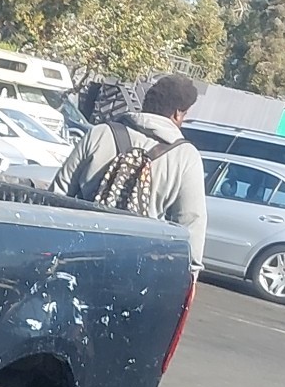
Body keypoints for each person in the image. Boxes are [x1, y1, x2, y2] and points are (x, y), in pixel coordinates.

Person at [52, 74, 207, 271]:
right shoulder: (185, 156)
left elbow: (59, 191)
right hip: (135, 266)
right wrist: (191, 272)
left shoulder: (100, 133)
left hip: (79, 255)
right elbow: (191, 221)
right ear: (177, 113)